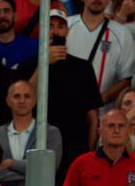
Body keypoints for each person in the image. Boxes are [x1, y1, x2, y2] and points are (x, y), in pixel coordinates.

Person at [31, 9, 103, 176]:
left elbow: (93, 116)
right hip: (39, 146)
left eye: (61, 26)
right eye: (50, 26)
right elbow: (24, 99)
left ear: (67, 31)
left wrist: (90, 155)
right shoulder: (28, 65)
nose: (55, 31)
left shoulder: (82, 68)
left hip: (75, 150)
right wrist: (44, 63)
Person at [0, 80, 63, 186]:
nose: (22, 101)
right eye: (17, 96)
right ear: (8, 101)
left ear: (34, 101)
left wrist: (11, 163)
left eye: (27, 96)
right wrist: (34, 173)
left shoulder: (50, 133)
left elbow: (47, 170)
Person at [68, 0, 135, 106]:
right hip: (66, 108)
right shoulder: (66, 27)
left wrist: (98, 101)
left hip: (104, 115)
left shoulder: (122, 34)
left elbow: (127, 79)